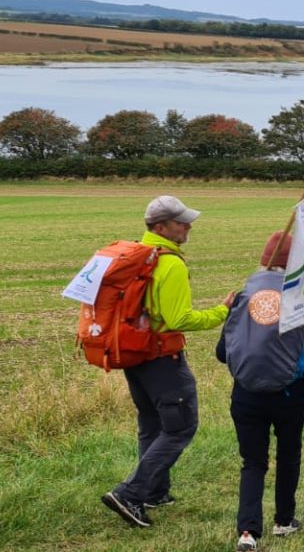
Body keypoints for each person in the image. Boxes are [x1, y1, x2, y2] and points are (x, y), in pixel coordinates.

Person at [102, 195, 235, 529]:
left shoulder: (138, 254)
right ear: (160, 227)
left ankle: (154, 492)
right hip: (163, 358)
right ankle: (130, 494)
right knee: (181, 427)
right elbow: (178, 318)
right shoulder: (170, 263)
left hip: (137, 357)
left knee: (152, 424)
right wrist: (222, 311)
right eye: (181, 222)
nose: (188, 226)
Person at [218, 232, 304, 552]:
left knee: (253, 462)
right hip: (289, 394)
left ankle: (248, 532)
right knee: (288, 456)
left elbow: (221, 352)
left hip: (245, 393)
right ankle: (284, 520)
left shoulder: (242, 296)